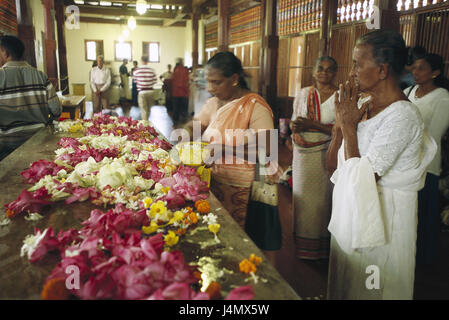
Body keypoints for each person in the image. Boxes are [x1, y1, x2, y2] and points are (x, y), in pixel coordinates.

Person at [325, 29, 436, 299]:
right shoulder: (360, 105)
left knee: (373, 288)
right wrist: (340, 129)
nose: (351, 72)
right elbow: (332, 170)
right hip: (351, 216)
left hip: (384, 223)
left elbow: (361, 181)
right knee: (347, 284)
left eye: (357, 64)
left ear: (382, 70)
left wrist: (349, 128)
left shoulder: (402, 116)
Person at [184, 51, 278, 229]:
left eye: (216, 82)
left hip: (244, 190)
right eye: (208, 82)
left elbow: (267, 150)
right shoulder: (214, 103)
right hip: (214, 181)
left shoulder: (254, 106)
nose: (210, 88)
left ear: (234, 78)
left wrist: (224, 149)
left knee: (240, 236)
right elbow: (196, 125)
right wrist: (186, 132)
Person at [290, 56, 338, 260]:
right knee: (302, 199)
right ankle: (304, 245)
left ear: (335, 73)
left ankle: (322, 247)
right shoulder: (303, 94)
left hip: (328, 153)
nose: (324, 73)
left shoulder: (340, 95)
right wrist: (296, 127)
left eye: (329, 69)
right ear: (313, 71)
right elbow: (295, 121)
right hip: (302, 155)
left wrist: (312, 124)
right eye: (320, 68)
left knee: (324, 200)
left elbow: (342, 129)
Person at [405, 53, 449, 265]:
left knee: (424, 211)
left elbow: (434, 134)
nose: (415, 72)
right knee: (408, 211)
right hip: (405, 161)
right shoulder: (408, 92)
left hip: (427, 163)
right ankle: (407, 252)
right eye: (414, 67)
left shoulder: (442, 97)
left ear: (435, 72)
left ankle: (425, 256)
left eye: (421, 68)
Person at [0, 35, 61, 161]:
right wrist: (50, 124)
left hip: (8, 146)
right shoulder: (40, 75)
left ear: (5, 53)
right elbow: (56, 109)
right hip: (39, 140)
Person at [133, 55, 157, 121]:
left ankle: (145, 126)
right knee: (149, 110)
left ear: (141, 61)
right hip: (150, 91)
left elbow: (135, 81)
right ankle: (148, 123)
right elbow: (155, 81)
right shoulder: (152, 70)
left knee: (144, 110)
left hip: (142, 92)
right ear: (147, 61)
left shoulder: (136, 70)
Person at [171, 58, 190, 123]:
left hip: (176, 92)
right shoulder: (185, 70)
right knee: (184, 107)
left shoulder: (175, 70)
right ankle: (184, 120)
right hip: (184, 92)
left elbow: (173, 80)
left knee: (176, 107)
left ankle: (175, 120)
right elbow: (186, 80)